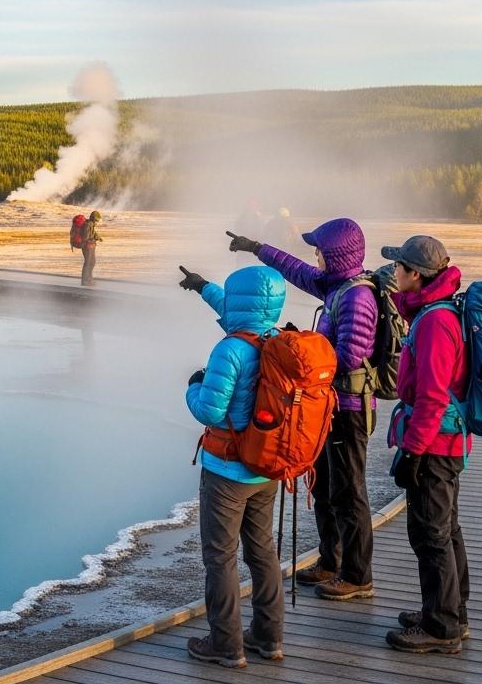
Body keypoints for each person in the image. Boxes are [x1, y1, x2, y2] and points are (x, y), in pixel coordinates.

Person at [229, 218, 378, 601]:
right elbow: (297, 271)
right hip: (328, 406)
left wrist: (304, 348)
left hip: (349, 409)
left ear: (337, 255)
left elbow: (350, 357)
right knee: (325, 485)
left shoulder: (357, 297)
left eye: (321, 250)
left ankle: (358, 575)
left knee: (349, 491)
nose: (315, 255)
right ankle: (332, 560)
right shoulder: (337, 286)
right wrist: (257, 247)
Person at [178, 264, 288, 669]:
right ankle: (268, 637)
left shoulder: (231, 349)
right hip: (267, 468)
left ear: (240, 299)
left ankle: (226, 644)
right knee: (262, 552)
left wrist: (192, 385)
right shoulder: (279, 339)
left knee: (220, 557)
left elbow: (209, 409)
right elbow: (238, 310)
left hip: (227, 470)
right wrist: (204, 288)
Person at [381, 235, 470, 654]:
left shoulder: (435, 322)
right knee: (445, 529)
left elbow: (433, 396)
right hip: (443, 441)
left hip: (434, 444)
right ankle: (449, 610)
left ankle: (442, 627)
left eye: (399, 266)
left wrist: (413, 452)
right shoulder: (438, 311)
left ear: (416, 275)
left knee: (431, 533)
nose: (394, 272)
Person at [80, 211, 104, 286]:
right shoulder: (88, 224)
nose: (98, 222)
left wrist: (98, 237)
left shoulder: (91, 224)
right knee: (88, 263)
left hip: (89, 246)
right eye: (97, 220)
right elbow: (86, 237)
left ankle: (88, 279)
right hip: (87, 247)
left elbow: (93, 233)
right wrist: (93, 240)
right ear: (94, 218)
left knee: (91, 262)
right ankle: (85, 281)